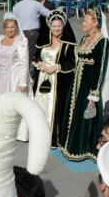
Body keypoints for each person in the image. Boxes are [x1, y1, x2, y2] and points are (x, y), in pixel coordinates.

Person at [61, 7, 109, 162]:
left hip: (88, 86)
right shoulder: (84, 39)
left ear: (95, 23)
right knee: (73, 113)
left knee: (86, 117)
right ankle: (70, 145)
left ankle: (84, 149)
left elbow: (100, 69)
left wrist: (94, 93)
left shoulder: (102, 42)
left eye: (86, 20)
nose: (83, 23)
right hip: (77, 83)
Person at [33, 10, 77, 147]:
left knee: (55, 109)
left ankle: (52, 138)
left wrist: (56, 67)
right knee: (40, 107)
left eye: (59, 26)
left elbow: (71, 63)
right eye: (54, 26)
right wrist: (40, 64)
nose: (56, 29)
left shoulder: (67, 44)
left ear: (63, 26)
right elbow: (36, 56)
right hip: (42, 80)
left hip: (58, 82)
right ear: (49, 27)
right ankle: (39, 136)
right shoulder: (44, 41)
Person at [0, 14, 30, 141]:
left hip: (15, 77)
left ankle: (17, 132)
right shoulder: (1, 39)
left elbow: (24, 62)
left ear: (16, 27)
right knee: (0, 105)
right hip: (1, 77)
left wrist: (22, 82)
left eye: (12, 27)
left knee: (13, 106)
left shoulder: (21, 41)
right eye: (7, 27)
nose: (10, 30)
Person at [13, 0, 51, 79]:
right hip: (32, 32)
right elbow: (47, 13)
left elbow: (14, 18)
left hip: (21, 32)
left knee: (22, 52)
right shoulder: (36, 4)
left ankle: (20, 72)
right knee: (29, 53)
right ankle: (26, 74)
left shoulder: (18, 5)